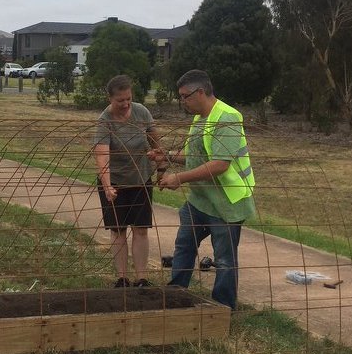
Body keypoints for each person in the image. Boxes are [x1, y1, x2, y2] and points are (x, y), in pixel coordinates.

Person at [154, 70, 255, 310]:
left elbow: (220, 164)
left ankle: (223, 308)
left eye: (185, 96)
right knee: (185, 244)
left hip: (226, 201)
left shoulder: (227, 117)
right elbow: (195, 157)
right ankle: (176, 295)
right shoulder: (200, 118)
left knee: (224, 259)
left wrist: (179, 178)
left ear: (200, 92)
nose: (182, 102)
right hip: (200, 200)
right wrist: (166, 156)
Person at [94, 74, 162, 287]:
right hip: (115, 180)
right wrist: (107, 186)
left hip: (140, 178)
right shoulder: (105, 121)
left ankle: (142, 278)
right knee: (118, 229)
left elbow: (155, 142)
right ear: (110, 99)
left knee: (141, 228)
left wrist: (159, 163)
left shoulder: (141, 112)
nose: (125, 104)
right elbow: (102, 155)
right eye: (120, 100)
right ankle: (122, 278)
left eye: (128, 99)